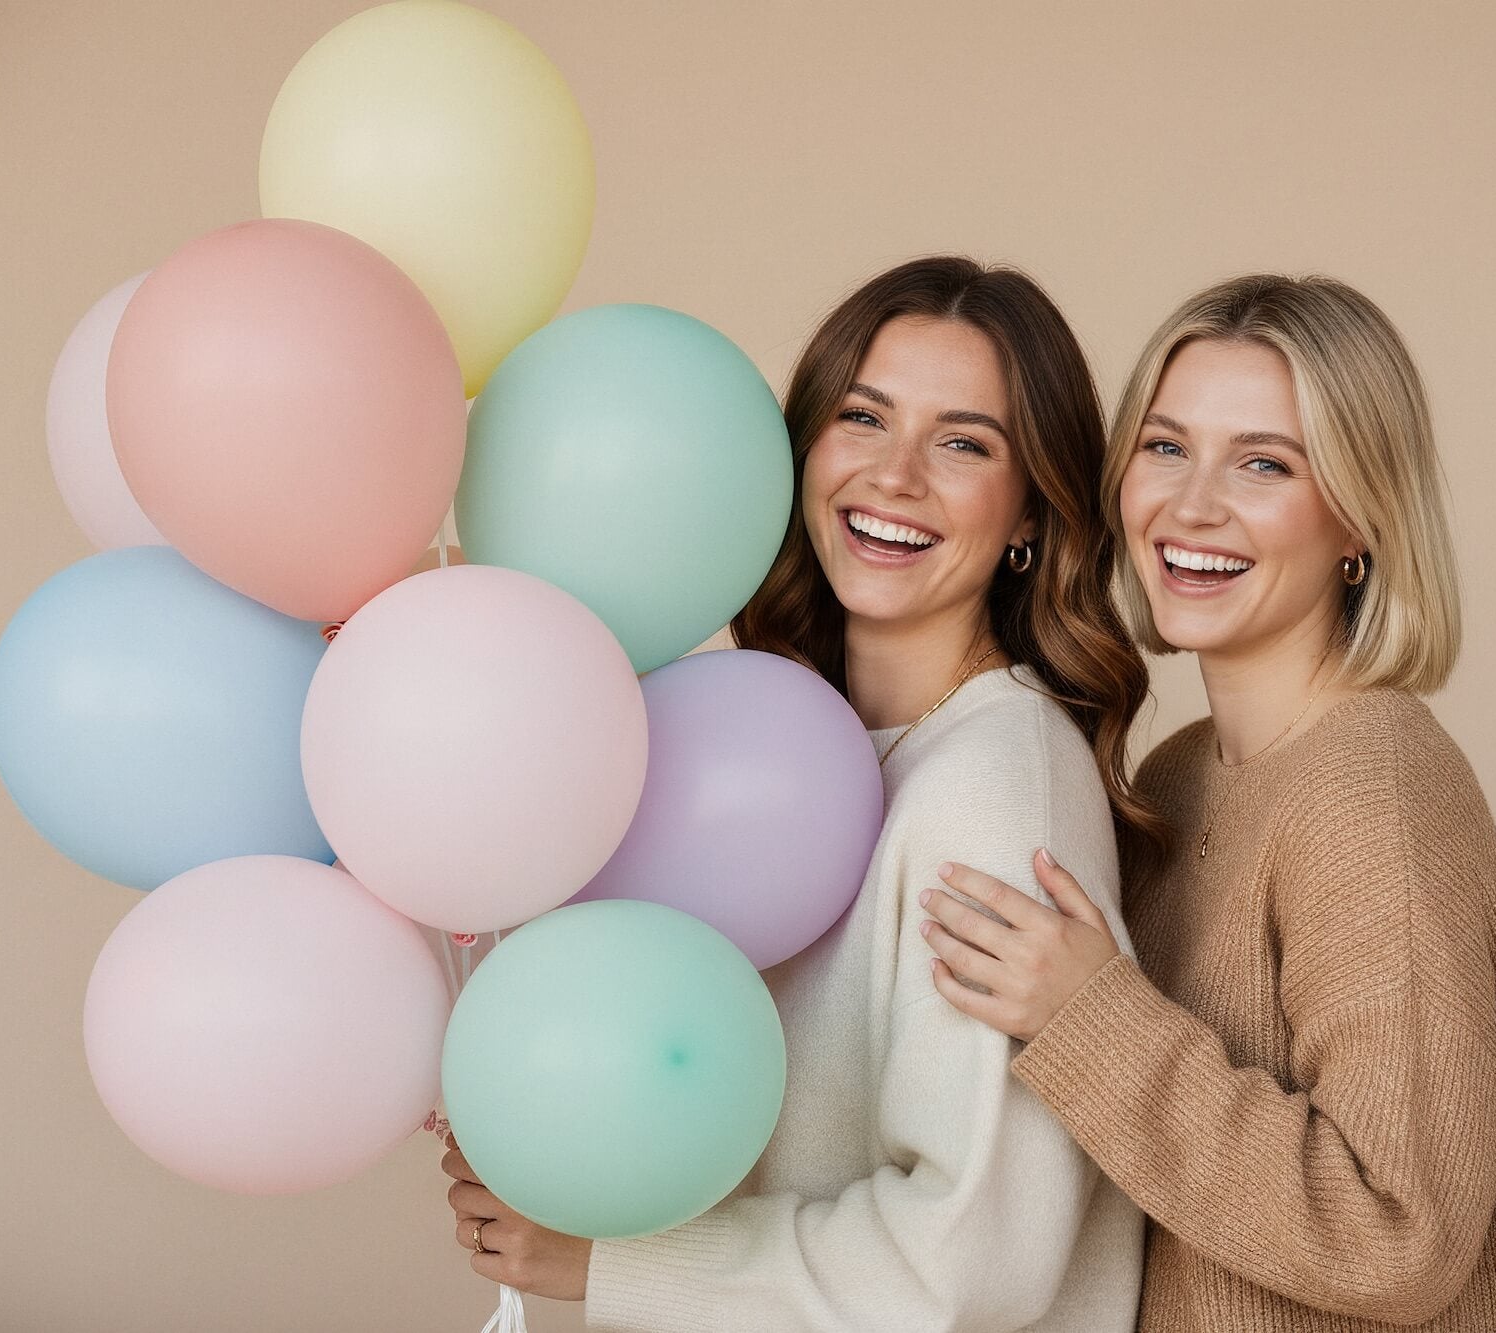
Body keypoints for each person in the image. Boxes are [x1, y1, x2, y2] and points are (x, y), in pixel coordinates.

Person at [443, 256, 1166, 1329]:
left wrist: (618, 1262)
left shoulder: (997, 789)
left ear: (1028, 513)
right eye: (862, 418)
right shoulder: (767, 746)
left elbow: (970, 1257)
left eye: (963, 442)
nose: (895, 475)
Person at [920, 275, 1496, 1329]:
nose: (1190, 506)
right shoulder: (1177, 778)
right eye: (1163, 446)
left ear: (1358, 522)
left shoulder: (1374, 788)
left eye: (1263, 463)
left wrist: (1091, 1019)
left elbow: (1399, 1237)